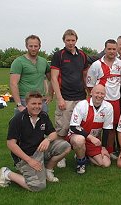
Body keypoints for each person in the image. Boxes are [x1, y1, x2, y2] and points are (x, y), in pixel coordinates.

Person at [0, 91, 71, 191]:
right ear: (27, 104)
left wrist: (47, 140)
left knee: (65, 146)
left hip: (39, 151)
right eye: (33, 103)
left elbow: (54, 133)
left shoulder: (43, 116)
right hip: (25, 156)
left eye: (39, 103)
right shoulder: (18, 119)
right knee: (37, 186)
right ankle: (6, 173)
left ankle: (48, 170)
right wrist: (29, 160)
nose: (37, 106)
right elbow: (11, 144)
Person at [86, 39, 121, 159]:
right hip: (100, 101)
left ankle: (109, 150)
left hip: (115, 101)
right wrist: (95, 98)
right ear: (105, 49)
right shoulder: (97, 65)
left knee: (111, 127)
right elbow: (90, 84)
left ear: (117, 50)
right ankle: (92, 149)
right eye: (109, 49)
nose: (111, 51)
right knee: (96, 127)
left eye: (113, 49)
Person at [51, 29, 89, 168]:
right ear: (64, 40)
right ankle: (60, 156)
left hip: (81, 98)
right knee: (63, 129)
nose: (71, 43)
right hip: (65, 98)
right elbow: (54, 78)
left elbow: (84, 76)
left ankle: (78, 152)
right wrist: (59, 98)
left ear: (76, 40)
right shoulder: (58, 55)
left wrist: (88, 93)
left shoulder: (82, 55)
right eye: (68, 40)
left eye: (73, 40)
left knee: (80, 128)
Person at [66, 84, 114, 174]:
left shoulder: (108, 107)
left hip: (94, 140)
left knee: (105, 163)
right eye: (97, 93)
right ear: (91, 92)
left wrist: (103, 147)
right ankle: (81, 163)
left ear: (105, 95)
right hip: (78, 136)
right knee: (79, 140)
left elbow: (107, 129)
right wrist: (90, 137)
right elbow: (74, 126)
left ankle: (85, 155)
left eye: (102, 93)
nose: (99, 96)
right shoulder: (82, 105)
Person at [10, 35, 53, 114]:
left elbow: (52, 79)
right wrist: (19, 105)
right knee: (23, 125)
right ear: (26, 46)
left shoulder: (43, 62)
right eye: (31, 46)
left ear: (40, 46)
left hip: (41, 100)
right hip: (25, 100)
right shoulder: (18, 62)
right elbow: (13, 83)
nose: (33, 48)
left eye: (36, 46)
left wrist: (50, 95)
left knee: (42, 125)